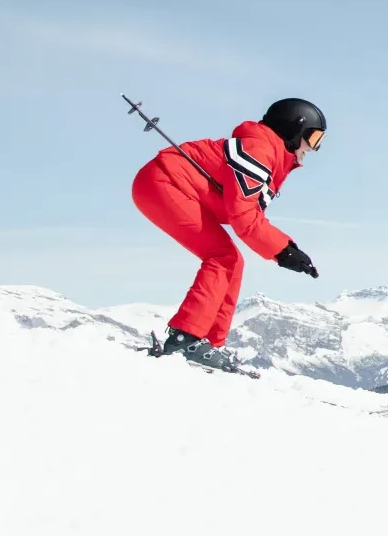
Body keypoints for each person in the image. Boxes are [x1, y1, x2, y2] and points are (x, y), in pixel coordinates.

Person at [131, 98, 326, 370]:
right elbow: (244, 218)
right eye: (314, 138)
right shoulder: (259, 149)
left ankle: (208, 344)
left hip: (169, 185)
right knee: (222, 257)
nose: (315, 148)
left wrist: (286, 249)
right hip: (164, 183)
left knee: (232, 260)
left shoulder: (266, 151)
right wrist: (283, 251)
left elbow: (247, 213)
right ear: (294, 129)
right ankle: (185, 339)